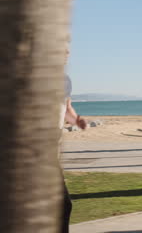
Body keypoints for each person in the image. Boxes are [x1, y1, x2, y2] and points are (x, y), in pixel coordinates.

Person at [60, 48, 87, 233]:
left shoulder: (65, 81)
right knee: (63, 205)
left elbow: (67, 108)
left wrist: (77, 120)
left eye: (68, 51)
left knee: (62, 206)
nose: (66, 54)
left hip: (53, 146)